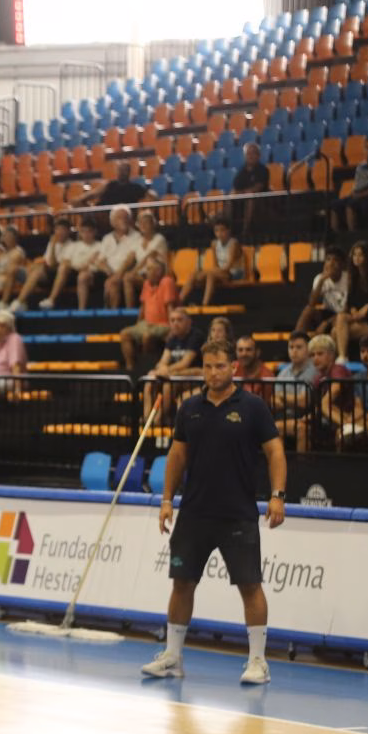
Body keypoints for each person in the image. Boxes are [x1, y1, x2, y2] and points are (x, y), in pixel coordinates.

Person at [141, 337, 287, 685]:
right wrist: (166, 500)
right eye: (207, 366)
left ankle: (257, 662)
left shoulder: (252, 406)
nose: (213, 372)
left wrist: (277, 495)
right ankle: (173, 656)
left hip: (237, 513)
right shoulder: (189, 407)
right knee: (182, 583)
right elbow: (177, 456)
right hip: (194, 513)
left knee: (250, 585)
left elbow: (276, 452)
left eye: (220, 365)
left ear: (233, 367)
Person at [119, 256, 179, 370]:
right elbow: (143, 307)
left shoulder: (167, 281)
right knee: (124, 334)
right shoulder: (146, 283)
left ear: (158, 271)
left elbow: (170, 307)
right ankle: (130, 368)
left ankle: (146, 367)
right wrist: (137, 325)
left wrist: (173, 327)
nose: (146, 272)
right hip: (146, 323)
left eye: (149, 269)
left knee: (147, 337)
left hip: (163, 324)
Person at [181, 216, 246, 307]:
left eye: (222, 230)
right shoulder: (214, 244)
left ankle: (204, 305)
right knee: (193, 274)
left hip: (235, 273)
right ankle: (179, 302)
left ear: (229, 231)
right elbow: (215, 264)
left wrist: (210, 271)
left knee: (209, 274)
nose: (219, 233)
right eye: (217, 231)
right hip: (220, 272)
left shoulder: (233, 243)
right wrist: (212, 271)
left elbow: (229, 266)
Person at [334, 135, 368, 231]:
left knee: (350, 205)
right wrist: (354, 193)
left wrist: (359, 195)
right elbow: (357, 185)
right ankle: (335, 237)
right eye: (367, 148)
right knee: (334, 205)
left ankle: (352, 236)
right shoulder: (360, 167)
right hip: (357, 194)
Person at [77, 158, 148, 206]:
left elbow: (150, 196)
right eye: (120, 170)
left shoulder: (135, 188)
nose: (122, 172)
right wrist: (80, 199)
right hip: (102, 215)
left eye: (124, 170)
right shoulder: (109, 185)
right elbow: (93, 194)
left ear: (129, 172)